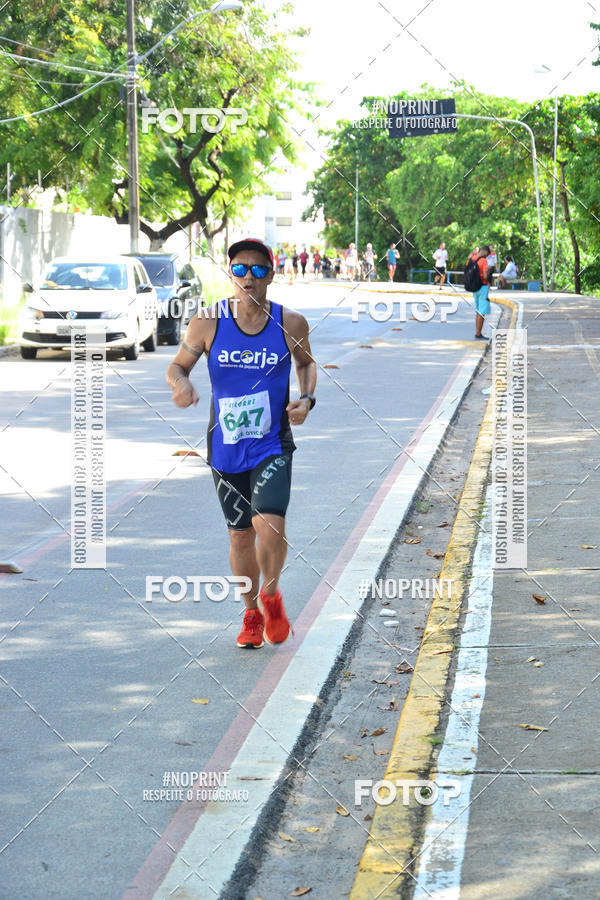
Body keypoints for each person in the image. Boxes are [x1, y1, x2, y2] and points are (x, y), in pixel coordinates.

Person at [166, 237, 317, 649]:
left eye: (256, 269)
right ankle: (251, 611)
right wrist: (181, 385)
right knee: (239, 536)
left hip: (271, 443)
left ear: (270, 274)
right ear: (230, 274)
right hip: (226, 446)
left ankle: (271, 593)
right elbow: (177, 366)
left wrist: (305, 399)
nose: (247, 277)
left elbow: (305, 364)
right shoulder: (207, 322)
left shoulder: (291, 324)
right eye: (239, 269)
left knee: (269, 525)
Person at [466, 245, 491, 340]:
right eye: (487, 255)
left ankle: (478, 332)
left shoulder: (470, 259)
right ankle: (478, 333)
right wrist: (488, 272)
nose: (487, 256)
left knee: (478, 310)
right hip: (482, 287)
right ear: (485, 252)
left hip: (473, 287)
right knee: (482, 312)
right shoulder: (483, 261)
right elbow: (485, 276)